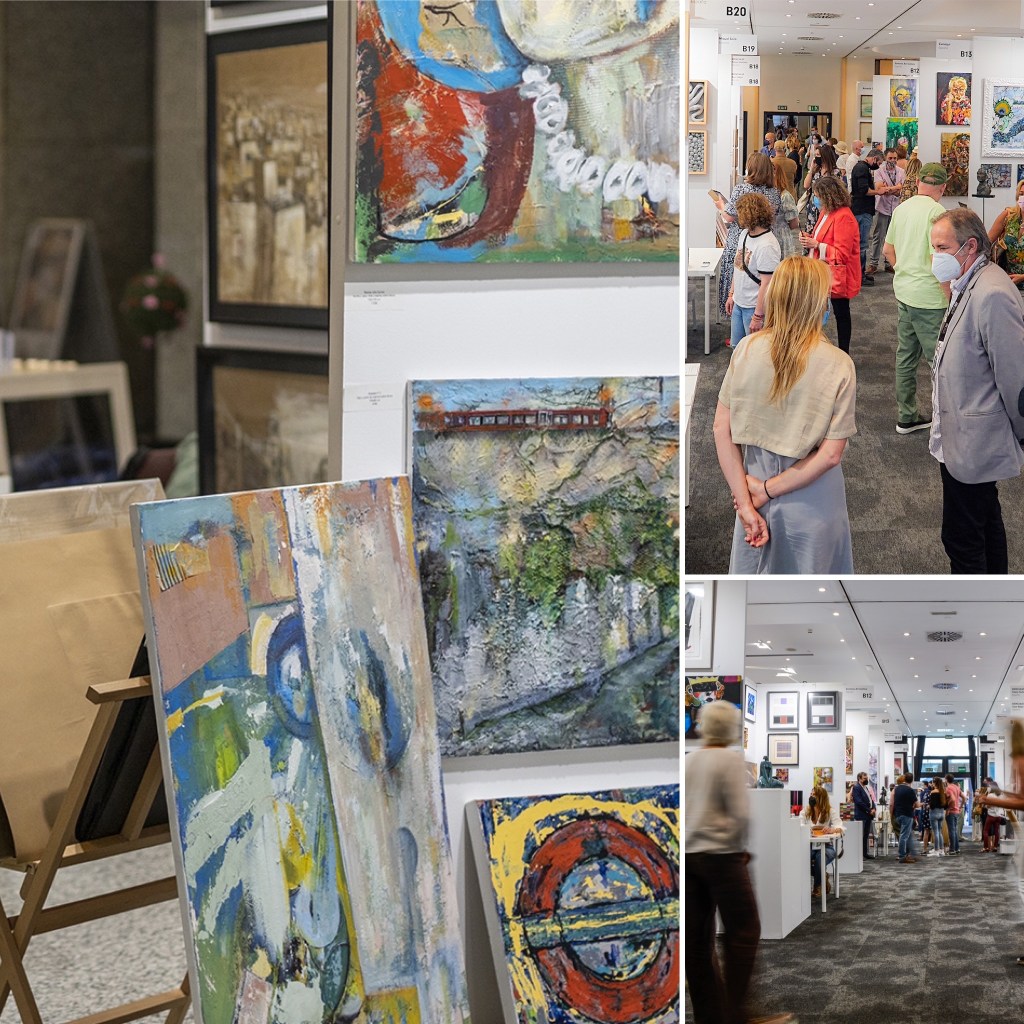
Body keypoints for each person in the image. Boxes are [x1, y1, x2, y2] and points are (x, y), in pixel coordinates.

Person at [713, 256, 857, 573]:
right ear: (817, 304)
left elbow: (721, 429)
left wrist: (746, 502)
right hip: (812, 501)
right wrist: (767, 491)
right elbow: (831, 455)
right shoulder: (839, 364)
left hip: (751, 491)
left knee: (754, 592)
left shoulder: (746, 349)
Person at [684, 700, 798, 1024]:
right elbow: (740, 814)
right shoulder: (728, 760)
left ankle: (711, 1016)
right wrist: (741, 849)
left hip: (689, 858)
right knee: (745, 930)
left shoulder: (690, 760)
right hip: (723, 856)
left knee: (697, 942)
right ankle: (736, 1012)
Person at [928, 207, 1024, 573]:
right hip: (961, 435)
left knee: (963, 538)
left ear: (970, 246)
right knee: (984, 522)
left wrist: (1020, 435)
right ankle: (995, 590)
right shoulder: (968, 281)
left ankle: (975, 600)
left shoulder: (992, 293)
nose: (935, 256)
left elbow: (1015, 377)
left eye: (941, 248)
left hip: (975, 440)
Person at [883, 162, 950, 435]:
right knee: (940, 361)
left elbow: (888, 250)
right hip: (930, 298)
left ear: (919, 182)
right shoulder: (938, 213)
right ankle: (947, 421)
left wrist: (903, 271)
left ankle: (907, 415)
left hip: (905, 292)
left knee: (906, 356)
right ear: (943, 188)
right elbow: (938, 262)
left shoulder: (902, 208)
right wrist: (951, 297)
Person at [712, 153, 782, 341]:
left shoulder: (741, 189)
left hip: (743, 240)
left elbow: (729, 217)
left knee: (743, 278)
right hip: (762, 238)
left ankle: (745, 326)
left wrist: (720, 205)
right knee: (757, 279)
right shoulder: (775, 192)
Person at [799, 175, 862, 355]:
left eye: (817, 196)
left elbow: (842, 254)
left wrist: (816, 245)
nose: (815, 199)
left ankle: (844, 352)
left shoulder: (844, 217)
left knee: (841, 314)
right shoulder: (826, 212)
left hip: (836, 276)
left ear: (828, 196)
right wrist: (810, 239)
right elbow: (821, 238)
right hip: (822, 271)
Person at [725, 193, 781, 348]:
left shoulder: (767, 245)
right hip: (739, 303)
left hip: (754, 308)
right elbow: (739, 267)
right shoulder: (745, 234)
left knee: (754, 352)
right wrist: (731, 295)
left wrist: (757, 316)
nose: (737, 217)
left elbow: (767, 284)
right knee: (737, 348)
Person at [800, 784, 845, 899]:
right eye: (811, 794)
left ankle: (817, 886)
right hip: (809, 846)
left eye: (814, 795)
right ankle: (822, 876)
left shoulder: (830, 811)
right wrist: (806, 828)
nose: (811, 797)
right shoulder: (806, 811)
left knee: (820, 859)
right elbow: (799, 824)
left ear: (821, 798)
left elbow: (840, 827)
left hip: (827, 847)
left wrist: (832, 830)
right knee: (802, 860)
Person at [865, 148, 905, 276]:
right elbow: (880, 188)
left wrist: (889, 189)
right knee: (878, 236)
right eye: (890, 158)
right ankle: (873, 263)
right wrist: (896, 187)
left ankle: (889, 263)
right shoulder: (879, 171)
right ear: (885, 158)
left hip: (895, 209)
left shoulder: (901, 172)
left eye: (895, 158)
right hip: (882, 208)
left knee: (893, 237)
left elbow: (900, 191)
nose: (893, 160)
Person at [988, 178, 1024, 292]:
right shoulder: (1008, 216)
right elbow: (987, 242)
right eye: (1021, 194)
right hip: (1006, 282)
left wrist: (1022, 277)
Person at [803, 143, 839, 234]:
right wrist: (811, 169)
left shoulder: (834, 172)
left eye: (818, 155)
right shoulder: (816, 170)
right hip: (813, 207)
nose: (816, 157)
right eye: (815, 155)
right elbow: (806, 185)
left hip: (826, 206)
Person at [772, 162, 801, 258]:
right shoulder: (784, 195)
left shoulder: (784, 195)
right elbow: (794, 222)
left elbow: (794, 222)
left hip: (780, 237)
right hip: (781, 234)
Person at [891, 771, 920, 863]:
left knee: (906, 835)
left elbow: (892, 804)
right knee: (904, 836)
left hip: (898, 814)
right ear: (912, 780)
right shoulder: (910, 790)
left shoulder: (896, 789)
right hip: (907, 815)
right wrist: (921, 804)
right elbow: (917, 805)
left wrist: (891, 814)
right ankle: (902, 856)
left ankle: (909, 854)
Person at [852, 771, 876, 861]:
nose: (867, 780)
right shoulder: (856, 788)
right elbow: (859, 802)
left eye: (867, 778)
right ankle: (860, 855)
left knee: (865, 836)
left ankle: (865, 854)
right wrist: (869, 810)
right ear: (859, 779)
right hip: (861, 815)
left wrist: (874, 808)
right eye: (865, 778)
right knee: (860, 836)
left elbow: (871, 800)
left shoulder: (866, 788)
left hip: (868, 815)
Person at [927, 777, 948, 857]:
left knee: (935, 832)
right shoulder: (943, 792)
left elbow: (932, 805)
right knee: (939, 832)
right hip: (942, 813)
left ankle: (936, 850)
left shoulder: (933, 792)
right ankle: (941, 850)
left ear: (935, 783)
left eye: (933, 782)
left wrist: (928, 806)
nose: (932, 784)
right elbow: (945, 805)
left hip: (934, 813)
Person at [944, 773, 963, 855]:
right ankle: (956, 848)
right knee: (954, 830)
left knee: (951, 830)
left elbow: (952, 799)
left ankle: (952, 849)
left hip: (951, 811)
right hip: (957, 811)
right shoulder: (956, 787)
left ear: (946, 779)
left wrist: (948, 808)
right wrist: (960, 807)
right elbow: (964, 797)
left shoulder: (948, 788)